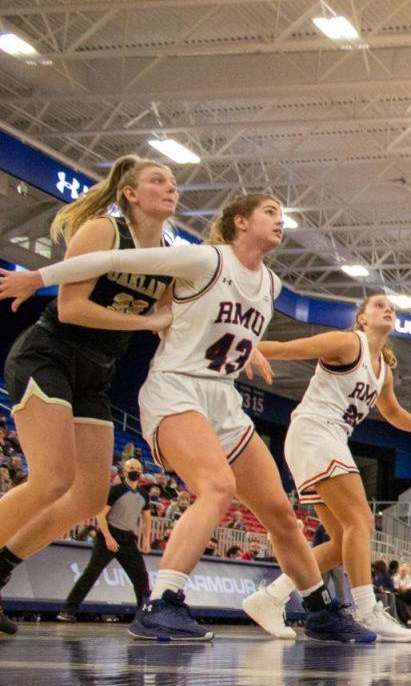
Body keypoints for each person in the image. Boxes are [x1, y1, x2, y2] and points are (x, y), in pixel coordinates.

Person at [0, 193, 373, 643]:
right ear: (240, 222)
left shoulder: (271, 285)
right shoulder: (203, 259)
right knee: (218, 488)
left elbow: (221, 325)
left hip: (223, 399)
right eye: (270, 212)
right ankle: (161, 603)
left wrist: (249, 346)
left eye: (282, 214)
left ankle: (317, 610)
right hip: (176, 387)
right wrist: (39, 276)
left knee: (280, 512)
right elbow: (105, 260)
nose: (281, 221)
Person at [0, 156, 176, 636]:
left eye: (174, 182)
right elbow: (72, 307)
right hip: (49, 355)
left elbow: (171, 325)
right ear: (131, 193)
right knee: (52, 478)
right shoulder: (103, 231)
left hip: (96, 374)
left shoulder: (167, 253)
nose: (171, 187)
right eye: (158, 179)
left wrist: (245, 352)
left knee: (85, 498)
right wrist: (147, 321)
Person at [240, 294, 411, 641]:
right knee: (360, 520)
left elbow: (390, 412)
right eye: (379, 305)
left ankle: (271, 597)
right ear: (361, 318)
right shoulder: (346, 343)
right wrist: (242, 347)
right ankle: (366, 609)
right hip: (315, 431)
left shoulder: (382, 370)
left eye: (392, 307)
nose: (388, 309)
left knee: (341, 541)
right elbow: (288, 349)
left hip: (325, 438)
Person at [57, 458, 153, 622]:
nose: (135, 471)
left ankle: (145, 615)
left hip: (127, 539)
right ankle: (68, 610)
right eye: (131, 468)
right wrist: (108, 538)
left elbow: (147, 519)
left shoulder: (144, 495)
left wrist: (146, 541)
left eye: (138, 468)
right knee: (91, 573)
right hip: (108, 535)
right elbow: (100, 515)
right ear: (124, 471)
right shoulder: (116, 490)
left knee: (141, 577)